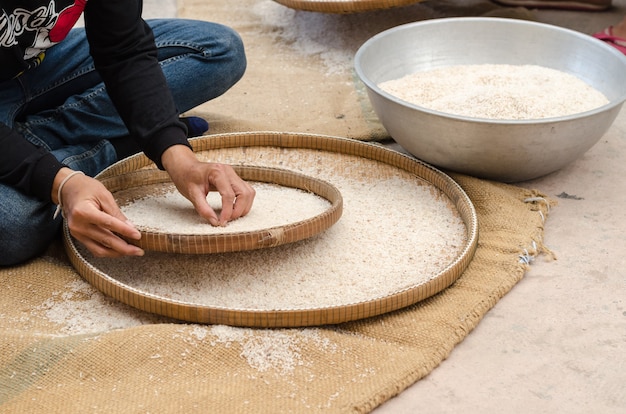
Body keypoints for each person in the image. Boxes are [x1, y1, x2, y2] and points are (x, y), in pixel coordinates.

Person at [0, 0, 256, 266]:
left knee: (219, 49)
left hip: (35, 66)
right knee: (13, 228)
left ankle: (31, 138)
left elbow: (123, 50)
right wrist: (61, 183)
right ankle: (109, 148)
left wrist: (178, 156)